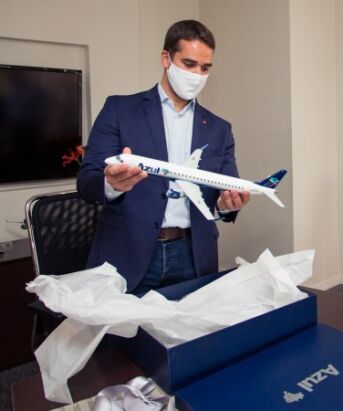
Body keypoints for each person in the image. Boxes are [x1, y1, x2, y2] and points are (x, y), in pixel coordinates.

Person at [78, 20, 249, 295]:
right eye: (189, 64)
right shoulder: (119, 110)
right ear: (166, 59)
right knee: (125, 336)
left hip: (192, 256)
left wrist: (229, 204)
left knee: (190, 337)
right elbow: (86, 184)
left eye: (205, 68)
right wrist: (112, 185)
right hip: (129, 254)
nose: (197, 75)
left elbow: (226, 193)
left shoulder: (219, 128)